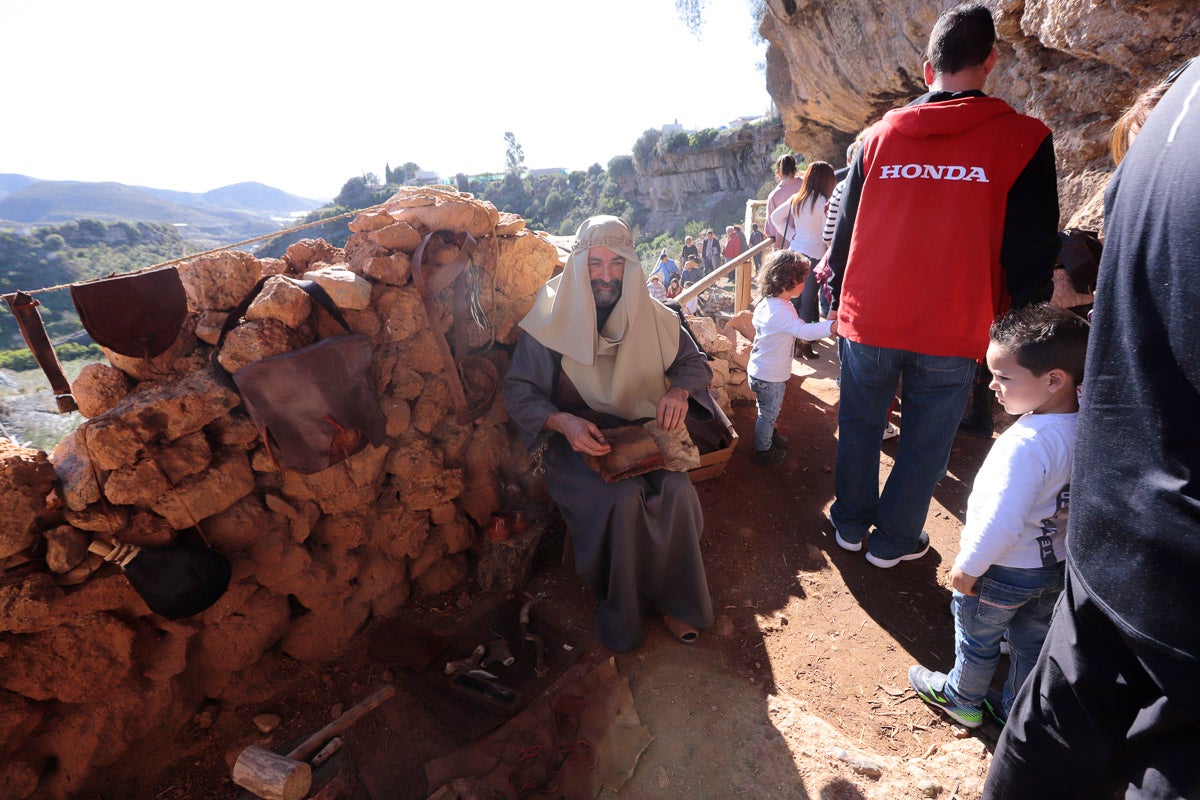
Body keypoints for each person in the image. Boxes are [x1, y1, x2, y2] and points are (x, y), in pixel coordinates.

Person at [983, 56, 1200, 800]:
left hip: (1110, 557)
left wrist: (966, 566)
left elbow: (1003, 512)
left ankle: (971, 688)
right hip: (1144, 563)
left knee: (1049, 723)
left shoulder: (1033, 441)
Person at [825, 2, 1058, 569]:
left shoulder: (878, 137)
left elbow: (844, 231)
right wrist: (1017, 331)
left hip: (870, 316)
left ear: (928, 69)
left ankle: (851, 523)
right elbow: (1030, 250)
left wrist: (837, 300)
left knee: (859, 424)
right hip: (956, 324)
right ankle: (893, 539)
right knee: (927, 441)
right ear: (991, 62)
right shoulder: (1024, 139)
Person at [503, 215, 717, 652]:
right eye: (595, 262)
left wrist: (679, 389)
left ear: (631, 264)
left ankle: (680, 600)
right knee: (619, 500)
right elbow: (519, 390)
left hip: (642, 434)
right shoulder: (549, 319)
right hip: (578, 439)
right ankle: (625, 608)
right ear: (579, 262)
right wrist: (563, 422)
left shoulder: (656, 315)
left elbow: (695, 366)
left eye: (616, 263)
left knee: (675, 489)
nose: (605, 275)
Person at [909, 303, 1088, 729]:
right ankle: (1016, 712)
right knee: (1031, 643)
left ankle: (963, 700)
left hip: (1003, 570)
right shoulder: (1083, 426)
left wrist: (969, 567)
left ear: (1054, 380)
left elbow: (1003, 521)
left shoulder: (1027, 443)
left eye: (1004, 377)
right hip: (1052, 568)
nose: (992, 386)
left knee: (977, 639)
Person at [747, 250, 837, 466]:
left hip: (758, 369)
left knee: (766, 410)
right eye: (802, 280)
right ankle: (764, 450)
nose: (804, 284)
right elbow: (803, 331)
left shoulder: (766, 303)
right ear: (789, 281)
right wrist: (832, 327)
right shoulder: (782, 311)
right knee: (768, 413)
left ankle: (769, 434)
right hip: (771, 376)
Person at [774, 161, 837, 359]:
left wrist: (793, 234)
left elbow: (776, 217)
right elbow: (828, 235)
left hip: (795, 252)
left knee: (795, 299)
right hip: (814, 255)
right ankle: (803, 344)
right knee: (808, 301)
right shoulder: (824, 202)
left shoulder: (797, 198)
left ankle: (793, 342)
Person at [765, 154, 804, 248]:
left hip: (784, 250)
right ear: (795, 169)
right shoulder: (806, 186)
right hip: (806, 245)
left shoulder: (773, 195)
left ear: (778, 173)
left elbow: (770, 231)